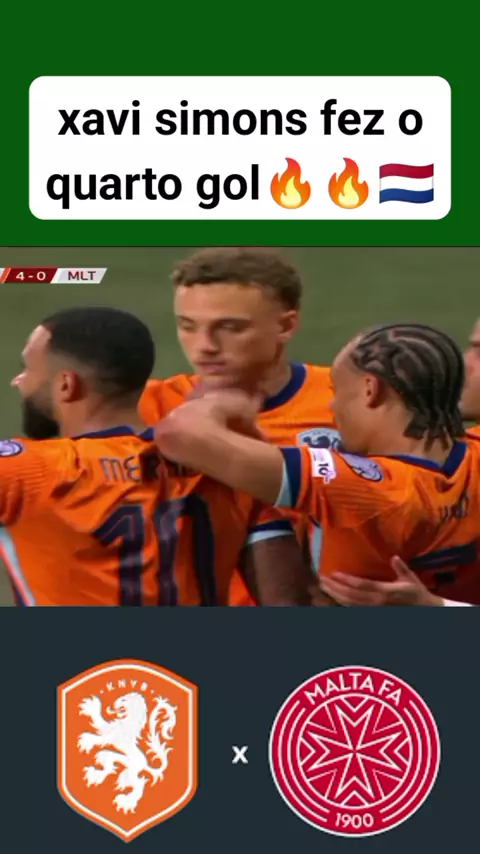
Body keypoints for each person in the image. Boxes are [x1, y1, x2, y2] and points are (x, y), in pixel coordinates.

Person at [2, 306, 316, 607]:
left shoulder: (30, 472)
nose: (18, 381)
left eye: (27, 369)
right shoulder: (226, 470)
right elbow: (287, 603)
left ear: (66, 385)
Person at [153, 322, 480, 606]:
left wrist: (223, 402)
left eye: (337, 390)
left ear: (371, 390)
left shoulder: (366, 490)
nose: (332, 406)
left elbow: (180, 435)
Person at [138, 247, 338, 602]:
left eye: (230, 328)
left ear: (286, 325)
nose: (205, 346)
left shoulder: (344, 403)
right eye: (187, 326)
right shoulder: (148, 408)